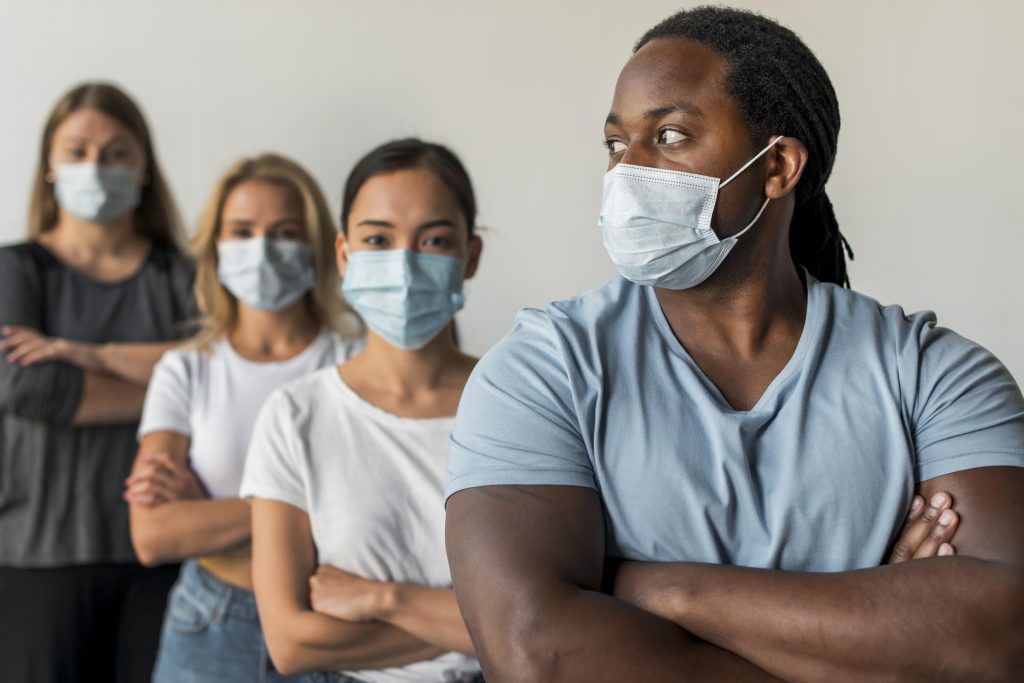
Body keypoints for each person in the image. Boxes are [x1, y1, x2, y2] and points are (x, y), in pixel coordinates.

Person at [445, 6, 1024, 682]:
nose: (627, 169)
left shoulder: (931, 374)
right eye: (615, 142)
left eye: (669, 135)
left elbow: (1004, 637)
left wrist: (652, 587)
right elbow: (538, 656)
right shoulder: (543, 372)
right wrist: (873, 645)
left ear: (776, 166)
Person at [242, 139, 483, 682]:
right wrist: (478, 624)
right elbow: (291, 643)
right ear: (344, 254)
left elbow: (551, 615)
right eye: (377, 239)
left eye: (434, 240)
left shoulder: (523, 405)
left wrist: (385, 599)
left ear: (470, 256)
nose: (404, 264)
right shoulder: (295, 416)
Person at [126, 153, 364, 682]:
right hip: (210, 623)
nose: (262, 249)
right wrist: (310, 505)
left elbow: (373, 513)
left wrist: (208, 516)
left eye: (284, 232)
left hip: (333, 624)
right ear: (215, 247)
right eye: (242, 231)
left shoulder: (357, 360)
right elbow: (154, 535)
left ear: (318, 246)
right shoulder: (186, 369)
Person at [0, 82, 196, 682]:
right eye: (77, 151)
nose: (95, 167)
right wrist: (169, 390)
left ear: (144, 168)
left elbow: (222, 370)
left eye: (116, 153)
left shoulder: (184, 276)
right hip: (37, 551)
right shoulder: (15, 268)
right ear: (49, 167)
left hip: (161, 552)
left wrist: (88, 358)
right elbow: (27, 388)